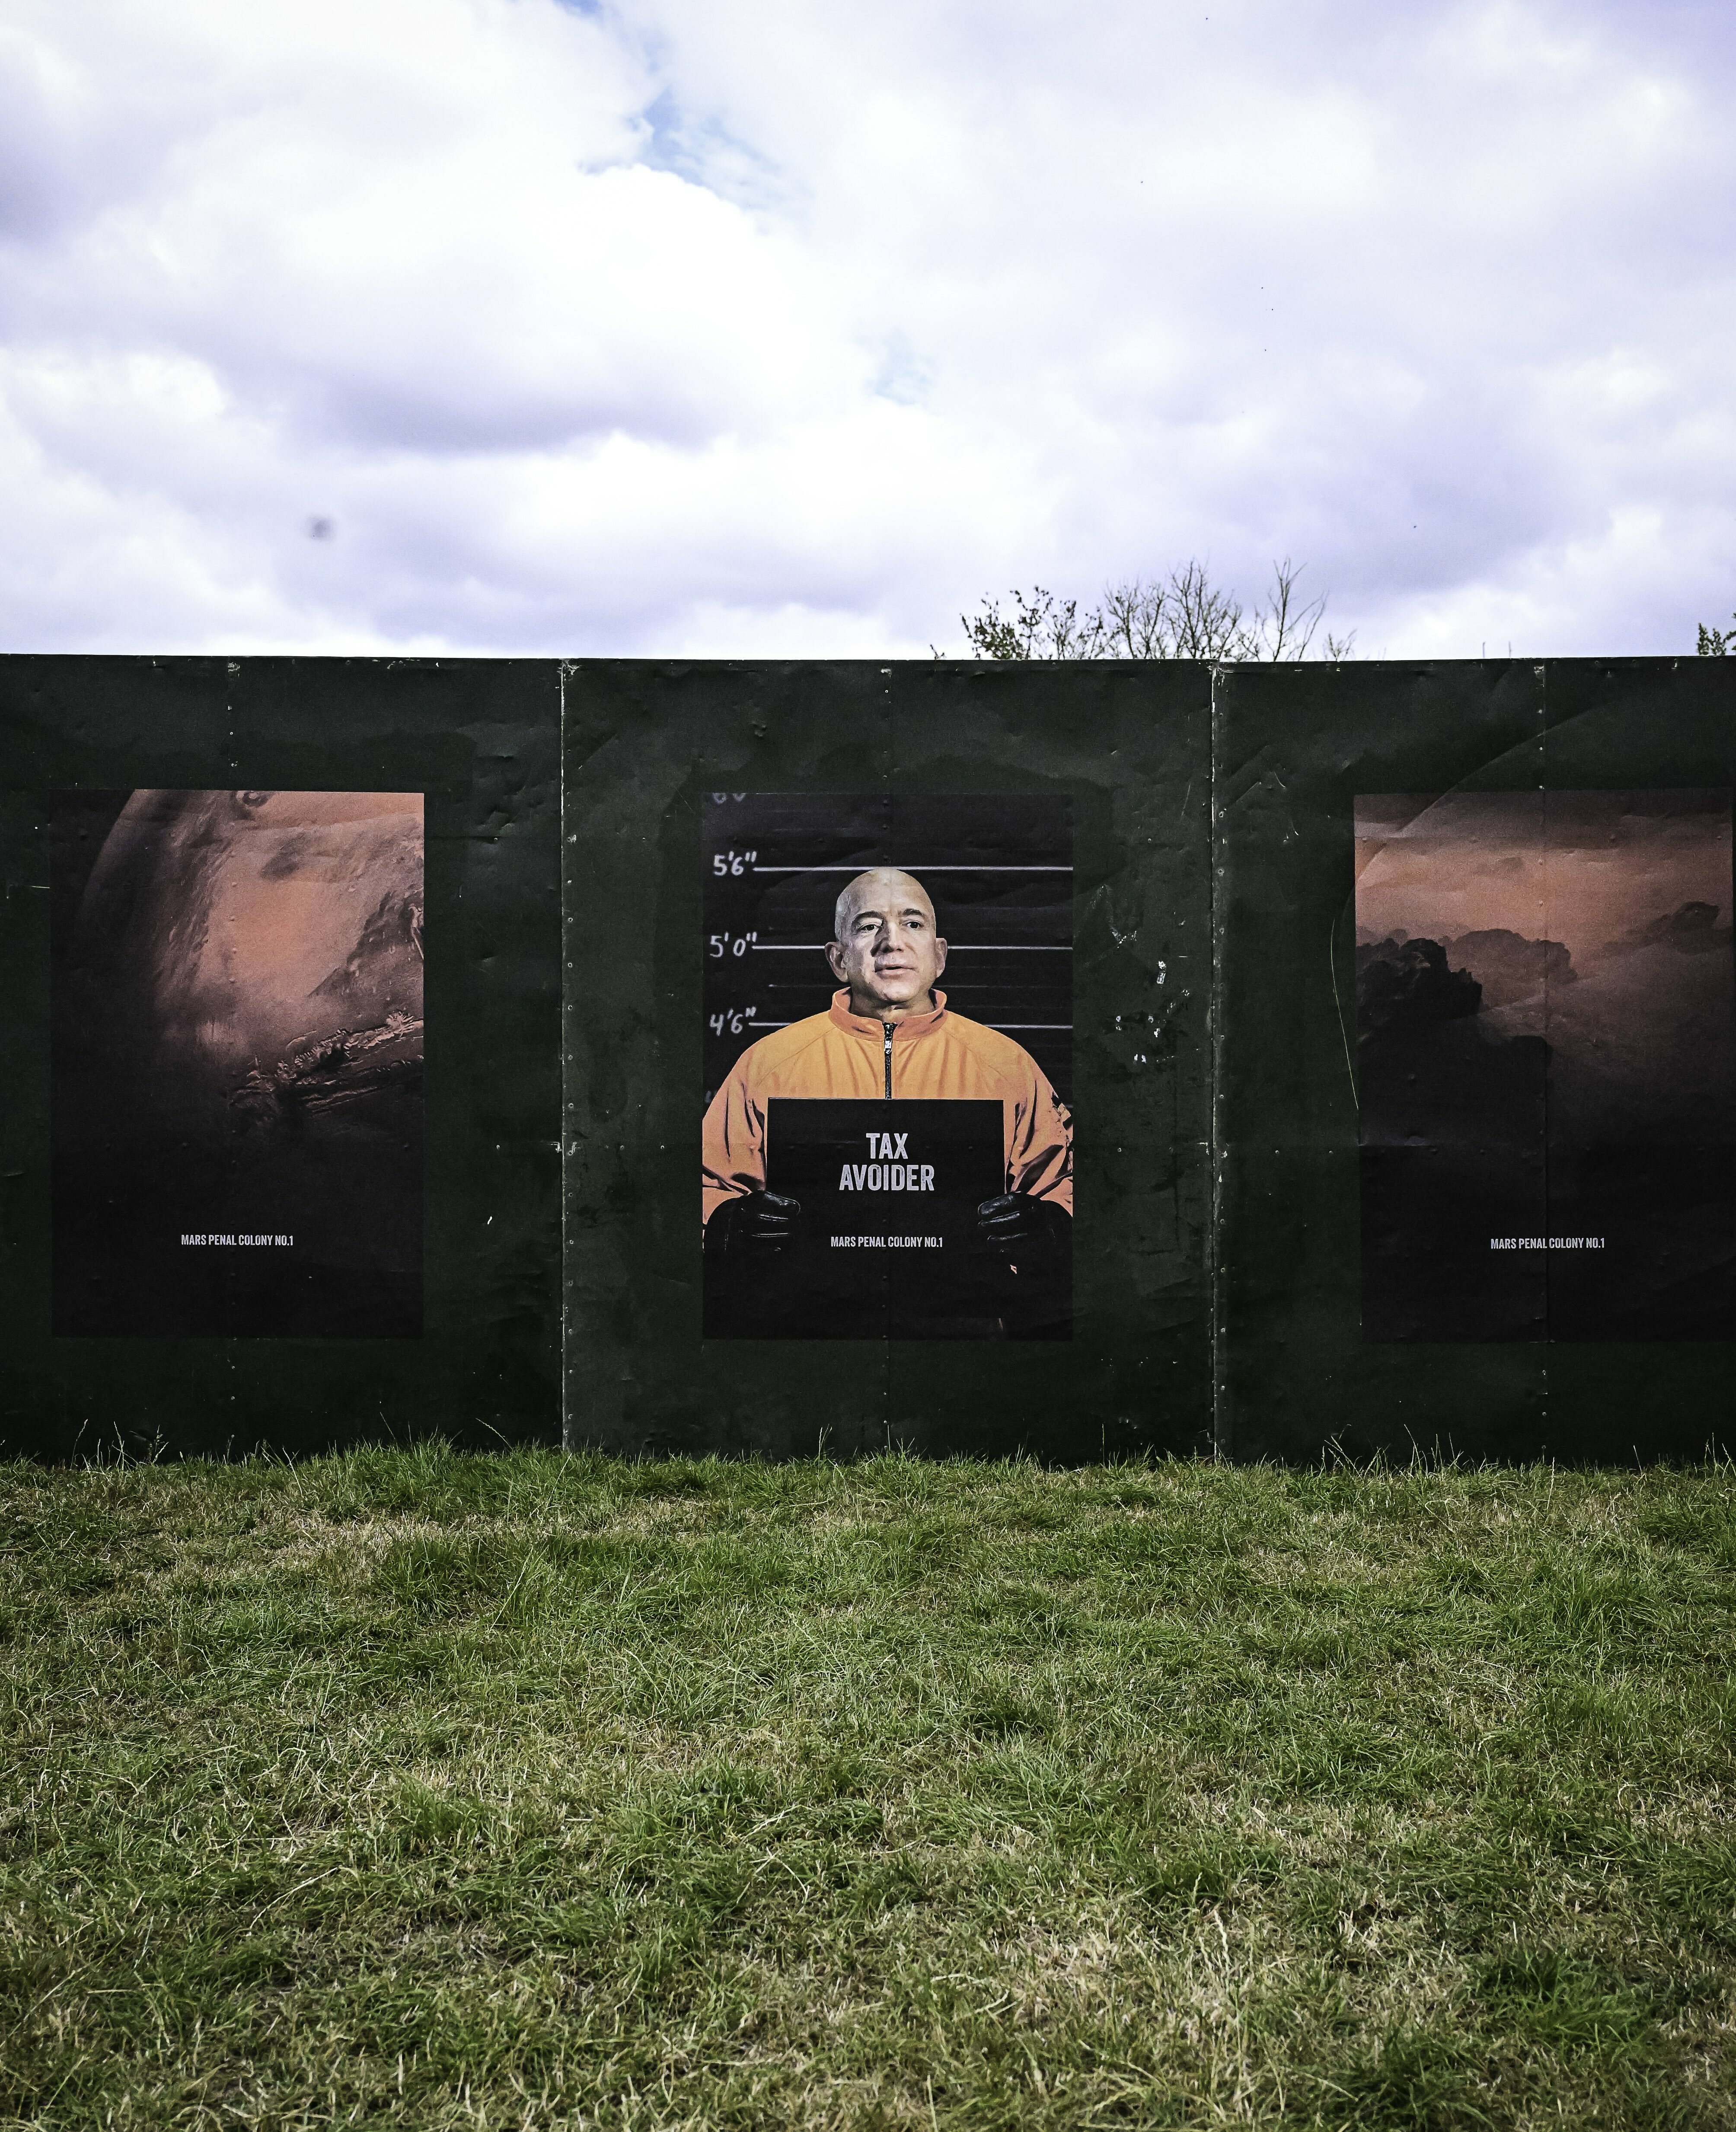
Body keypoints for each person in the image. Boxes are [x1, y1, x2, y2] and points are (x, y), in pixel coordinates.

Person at [702, 866, 1071, 1270]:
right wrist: (726, 1225)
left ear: (939, 955)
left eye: (913, 923)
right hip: (807, 1322)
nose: (891, 942)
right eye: (868, 926)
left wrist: (1051, 1225)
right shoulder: (767, 1064)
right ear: (839, 959)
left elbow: (1065, 1188)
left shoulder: (1007, 1064)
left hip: (965, 1323)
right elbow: (705, 1189)